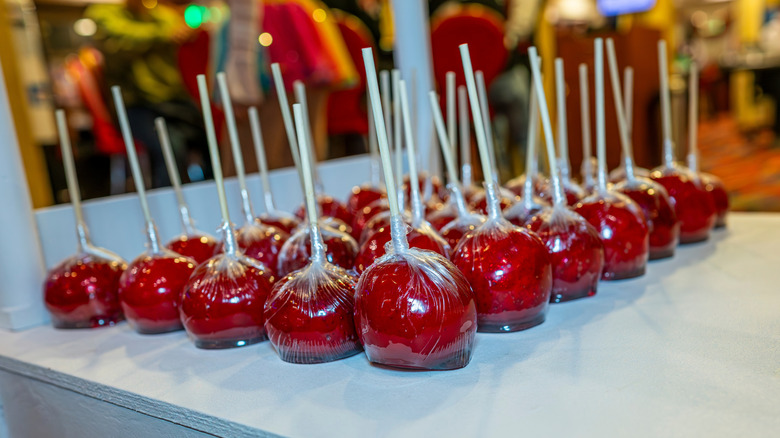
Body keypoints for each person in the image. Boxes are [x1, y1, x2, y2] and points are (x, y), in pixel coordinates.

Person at [85, 0, 210, 188]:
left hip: (173, 98)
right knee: (170, 147)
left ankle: (215, 201)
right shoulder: (104, 13)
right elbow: (123, 37)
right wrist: (166, 34)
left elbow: (180, 26)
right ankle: (171, 207)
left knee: (210, 142)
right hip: (136, 104)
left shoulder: (160, 13)